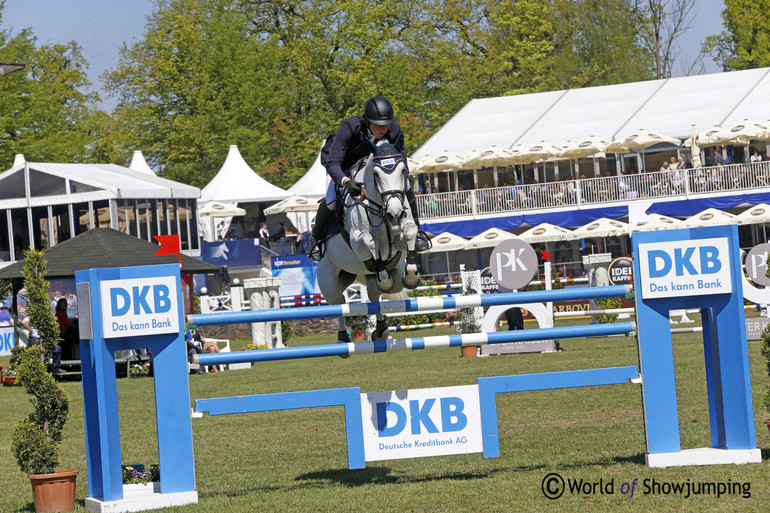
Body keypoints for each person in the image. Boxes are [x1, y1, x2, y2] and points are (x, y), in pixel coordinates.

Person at [307, 96, 430, 261]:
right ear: (366, 121)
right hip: (342, 167)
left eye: (386, 125)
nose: (383, 129)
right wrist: (346, 182)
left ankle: (418, 230)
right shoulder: (350, 126)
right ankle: (316, 238)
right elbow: (333, 163)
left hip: (375, 169)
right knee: (331, 199)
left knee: (406, 185)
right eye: (378, 125)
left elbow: (401, 160)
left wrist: (400, 178)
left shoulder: (394, 130)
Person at [53, 298, 78, 375]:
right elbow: (67, 323)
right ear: (59, 305)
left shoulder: (62, 313)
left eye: (66, 304)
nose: (65, 305)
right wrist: (74, 326)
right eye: (63, 304)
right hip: (63, 334)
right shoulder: (60, 313)